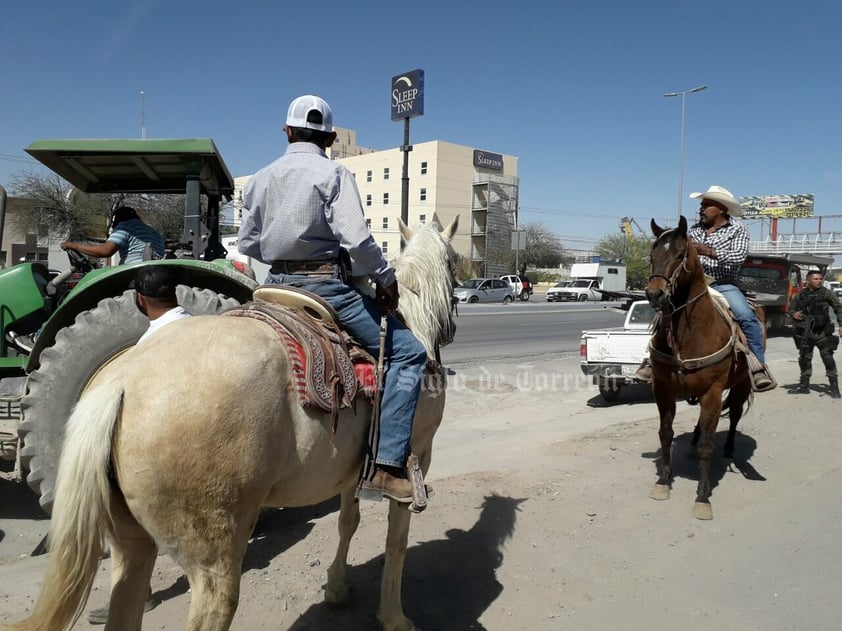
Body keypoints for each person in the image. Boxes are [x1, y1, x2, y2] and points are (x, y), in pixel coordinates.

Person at [238, 94, 428, 504]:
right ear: (329, 137)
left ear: (286, 132)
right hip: (324, 287)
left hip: (274, 284)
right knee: (409, 353)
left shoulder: (260, 178)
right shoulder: (335, 174)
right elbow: (357, 239)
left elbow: (248, 242)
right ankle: (385, 464)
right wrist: (385, 277)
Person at [87, 265, 189, 624]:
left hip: (162, 443)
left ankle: (135, 593)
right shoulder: (194, 326)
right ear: (175, 295)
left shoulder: (150, 343)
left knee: (130, 523)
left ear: (139, 300)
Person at [687, 185, 774, 390]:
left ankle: (757, 365)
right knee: (662, 311)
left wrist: (707, 251)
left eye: (707, 205)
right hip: (694, 284)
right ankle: (652, 359)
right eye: (702, 205)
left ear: (722, 209)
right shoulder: (695, 229)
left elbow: (738, 257)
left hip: (722, 284)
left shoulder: (738, 230)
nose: (702, 209)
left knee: (746, 316)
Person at [789, 270, 842, 397]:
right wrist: (794, 314)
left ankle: (834, 387)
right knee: (804, 359)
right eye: (816, 279)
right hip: (805, 332)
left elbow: (838, 308)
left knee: (828, 358)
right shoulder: (801, 294)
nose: (819, 281)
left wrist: (841, 324)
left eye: (820, 279)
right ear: (808, 281)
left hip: (822, 332)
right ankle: (804, 386)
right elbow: (791, 309)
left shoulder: (826, 293)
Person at [61, 205, 165, 265]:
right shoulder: (154, 232)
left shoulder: (125, 226)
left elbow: (105, 251)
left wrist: (73, 246)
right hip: (156, 267)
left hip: (134, 270)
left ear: (117, 220)